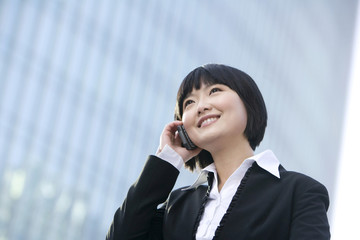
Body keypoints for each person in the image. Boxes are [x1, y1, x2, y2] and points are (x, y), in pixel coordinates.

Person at [106, 64, 330, 240]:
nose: (201, 106)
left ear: (248, 102)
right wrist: (168, 159)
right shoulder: (177, 205)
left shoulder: (300, 192)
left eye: (214, 91)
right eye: (189, 103)